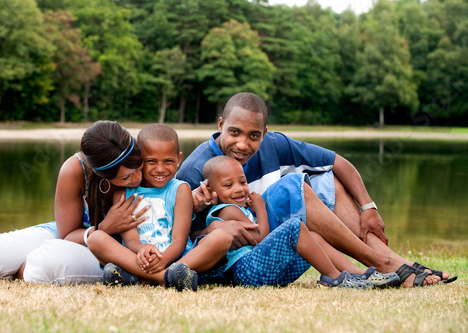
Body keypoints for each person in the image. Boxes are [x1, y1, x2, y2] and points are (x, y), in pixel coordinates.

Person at [177, 92, 456, 287]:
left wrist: (368, 207)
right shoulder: (196, 168)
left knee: (328, 179)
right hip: (237, 257)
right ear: (221, 125)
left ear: (265, 132)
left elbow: (338, 162)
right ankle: (383, 264)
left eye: (254, 136)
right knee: (290, 187)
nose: (242, 144)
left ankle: (394, 264)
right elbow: (176, 235)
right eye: (234, 132)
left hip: (266, 230)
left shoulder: (276, 144)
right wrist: (209, 227)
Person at [0, 120, 151, 284]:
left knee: (45, 263)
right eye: (126, 177)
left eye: (139, 167)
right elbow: (67, 235)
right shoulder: (75, 169)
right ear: (101, 174)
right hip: (75, 234)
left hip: (112, 250)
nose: (137, 177)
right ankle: (11, 268)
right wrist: (105, 227)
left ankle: (19, 272)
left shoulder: (151, 163)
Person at [203, 155, 400, 289]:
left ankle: (357, 273)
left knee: (312, 236)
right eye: (229, 185)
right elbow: (259, 238)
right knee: (295, 226)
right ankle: (334, 276)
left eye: (243, 182)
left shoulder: (238, 207)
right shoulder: (227, 210)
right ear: (212, 191)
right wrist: (261, 208)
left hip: (264, 271)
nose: (239, 189)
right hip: (247, 273)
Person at [87, 124, 232, 291]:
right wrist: (142, 249)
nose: (160, 169)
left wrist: (163, 260)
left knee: (222, 237)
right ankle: (167, 278)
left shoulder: (180, 190)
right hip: (138, 258)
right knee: (95, 238)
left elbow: (179, 240)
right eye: (151, 162)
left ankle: (145, 278)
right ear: (140, 160)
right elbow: (131, 240)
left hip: (178, 258)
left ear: (179, 159)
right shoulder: (123, 194)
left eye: (168, 161)